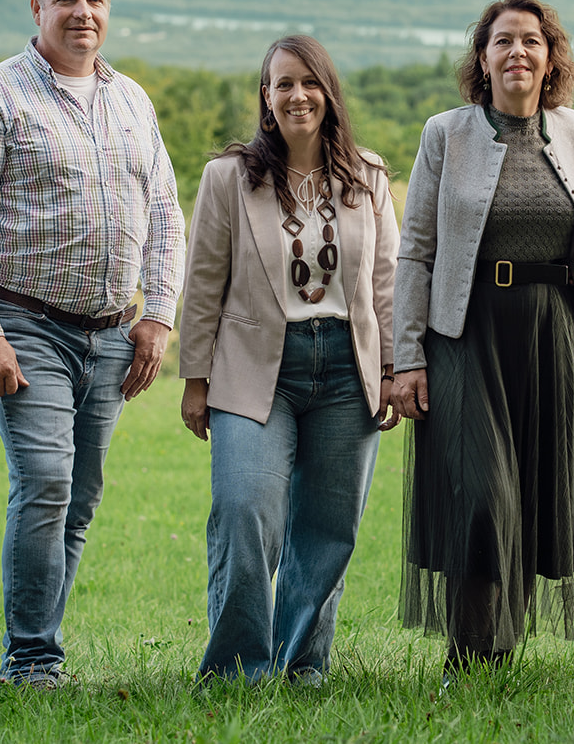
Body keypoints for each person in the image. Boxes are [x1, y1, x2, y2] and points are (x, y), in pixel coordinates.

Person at [0, 0, 186, 689]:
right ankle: (33, 659)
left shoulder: (132, 99)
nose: (84, 12)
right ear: (36, 7)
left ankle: (40, 644)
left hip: (114, 332)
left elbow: (167, 212)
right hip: (28, 325)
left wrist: (159, 315)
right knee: (44, 481)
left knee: (80, 496)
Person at [392, 0, 574, 675]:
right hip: (467, 332)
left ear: (551, 59)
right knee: (485, 497)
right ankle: (473, 654)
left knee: (534, 496)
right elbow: (416, 249)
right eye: (503, 42)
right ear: (483, 59)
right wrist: (407, 356)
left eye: (531, 41)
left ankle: (499, 650)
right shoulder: (447, 133)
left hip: (553, 336)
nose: (517, 52)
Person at [179, 35, 400, 686]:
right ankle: (235, 671)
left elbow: (386, 284)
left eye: (309, 82)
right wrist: (195, 381)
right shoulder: (229, 177)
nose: (296, 95)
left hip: (345, 369)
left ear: (328, 93)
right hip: (253, 368)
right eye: (282, 84)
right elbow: (205, 281)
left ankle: (302, 664)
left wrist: (390, 370)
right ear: (266, 99)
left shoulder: (370, 175)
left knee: (329, 529)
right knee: (244, 510)